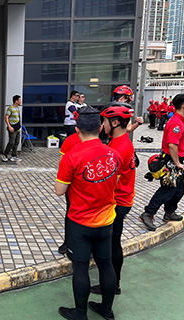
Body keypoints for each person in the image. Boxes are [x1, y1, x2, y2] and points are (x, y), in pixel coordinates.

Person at [55, 106, 121, 320]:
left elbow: (59, 191)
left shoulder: (72, 156)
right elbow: (116, 183)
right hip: (106, 221)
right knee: (105, 264)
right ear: (101, 128)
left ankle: (80, 314)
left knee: (81, 268)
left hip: (80, 222)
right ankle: (107, 310)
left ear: (77, 129)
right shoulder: (114, 154)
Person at [90, 103, 135, 297]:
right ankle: (113, 283)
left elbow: (108, 182)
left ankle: (111, 285)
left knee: (109, 247)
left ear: (115, 122)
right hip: (124, 199)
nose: (103, 125)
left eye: (105, 121)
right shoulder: (123, 141)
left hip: (117, 202)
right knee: (113, 244)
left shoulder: (118, 149)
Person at [140, 94, 184, 231]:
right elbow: (172, 145)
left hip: (176, 160)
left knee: (179, 189)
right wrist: (177, 163)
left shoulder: (179, 120)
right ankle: (148, 213)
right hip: (172, 161)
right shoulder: (176, 123)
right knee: (168, 190)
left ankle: (169, 212)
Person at [57, 130, 82, 255]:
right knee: (71, 214)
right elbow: (63, 163)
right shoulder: (70, 140)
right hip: (73, 187)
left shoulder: (98, 144)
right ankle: (68, 242)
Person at [2, 95, 23, 162]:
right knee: (11, 142)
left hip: (18, 129)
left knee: (16, 142)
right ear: (16, 101)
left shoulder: (17, 108)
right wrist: (9, 126)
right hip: (12, 128)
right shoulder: (10, 108)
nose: (20, 101)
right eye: (19, 100)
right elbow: (6, 117)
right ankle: (5, 155)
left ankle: (14, 156)